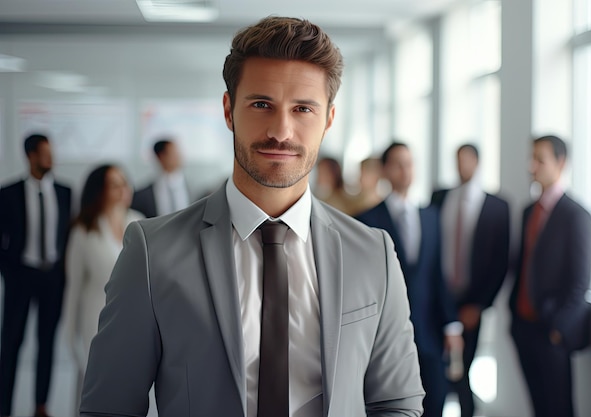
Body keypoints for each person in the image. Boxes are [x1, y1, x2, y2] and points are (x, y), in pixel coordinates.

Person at [80, 16, 424, 417]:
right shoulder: (152, 252)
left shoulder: (373, 252)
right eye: (262, 104)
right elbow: (109, 407)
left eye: (303, 109)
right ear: (229, 111)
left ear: (329, 119)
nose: (281, 130)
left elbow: (396, 403)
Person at [357, 142, 462, 417]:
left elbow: (438, 275)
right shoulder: (366, 221)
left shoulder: (431, 217)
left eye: (410, 163)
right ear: (385, 170)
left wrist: (451, 325)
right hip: (386, 335)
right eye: (398, 164)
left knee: (436, 401)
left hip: (429, 332)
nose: (406, 170)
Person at [509, 135, 591, 417]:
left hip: (551, 332)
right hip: (523, 327)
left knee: (559, 409)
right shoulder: (528, 212)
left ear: (561, 163)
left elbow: (580, 283)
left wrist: (557, 330)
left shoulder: (577, 216)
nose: (532, 166)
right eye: (531, 158)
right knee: (538, 407)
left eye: (540, 159)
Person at [430, 143, 510, 417]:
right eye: (457, 160)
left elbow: (500, 263)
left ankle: (468, 411)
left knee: (463, 366)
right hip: (439, 299)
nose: (461, 166)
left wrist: (479, 305)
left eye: (466, 160)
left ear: (477, 163)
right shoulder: (440, 197)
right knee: (436, 367)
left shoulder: (497, 207)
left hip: (471, 301)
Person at [0, 134, 72, 417]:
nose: (50, 159)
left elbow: (67, 236)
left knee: (47, 343)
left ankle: (41, 405)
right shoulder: (8, 193)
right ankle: (4, 407)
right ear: (30, 156)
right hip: (21, 276)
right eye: (44, 154)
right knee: (11, 344)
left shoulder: (65, 192)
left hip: (52, 278)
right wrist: (9, 272)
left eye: (51, 153)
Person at [63, 164, 143, 415]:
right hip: (94, 324)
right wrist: (70, 340)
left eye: (125, 182)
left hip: (134, 324)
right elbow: (73, 289)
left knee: (128, 395)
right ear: (100, 191)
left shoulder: (140, 223)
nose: (123, 189)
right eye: (114, 184)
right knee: (96, 397)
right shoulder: (83, 231)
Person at [131, 139, 190, 218]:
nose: (179, 156)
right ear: (161, 156)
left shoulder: (192, 188)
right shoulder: (143, 194)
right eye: (174, 153)